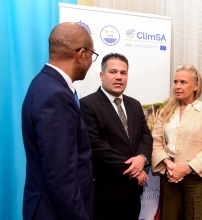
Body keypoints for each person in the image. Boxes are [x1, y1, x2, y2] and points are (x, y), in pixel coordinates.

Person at [22, 22, 97, 220]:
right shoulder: (56, 96)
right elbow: (61, 177)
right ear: (81, 54)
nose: (91, 62)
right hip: (55, 211)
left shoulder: (44, 84)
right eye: (92, 56)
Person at [80, 53, 153, 220]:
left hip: (133, 192)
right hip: (106, 192)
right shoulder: (88, 105)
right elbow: (95, 144)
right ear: (101, 75)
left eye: (123, 73)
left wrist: (142, 157)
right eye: (113, 72)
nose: (119, 77)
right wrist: (134, 169)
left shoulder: (134, 104)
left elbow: (146, 136)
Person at [151, 64, 202, 220]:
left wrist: (186, 169)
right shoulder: (165, 111)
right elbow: (156, 142)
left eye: (183, 82)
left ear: (195, 85)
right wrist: (169, 164)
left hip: (197, 180)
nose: (177, 86)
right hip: (170, 178)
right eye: (175, 82)